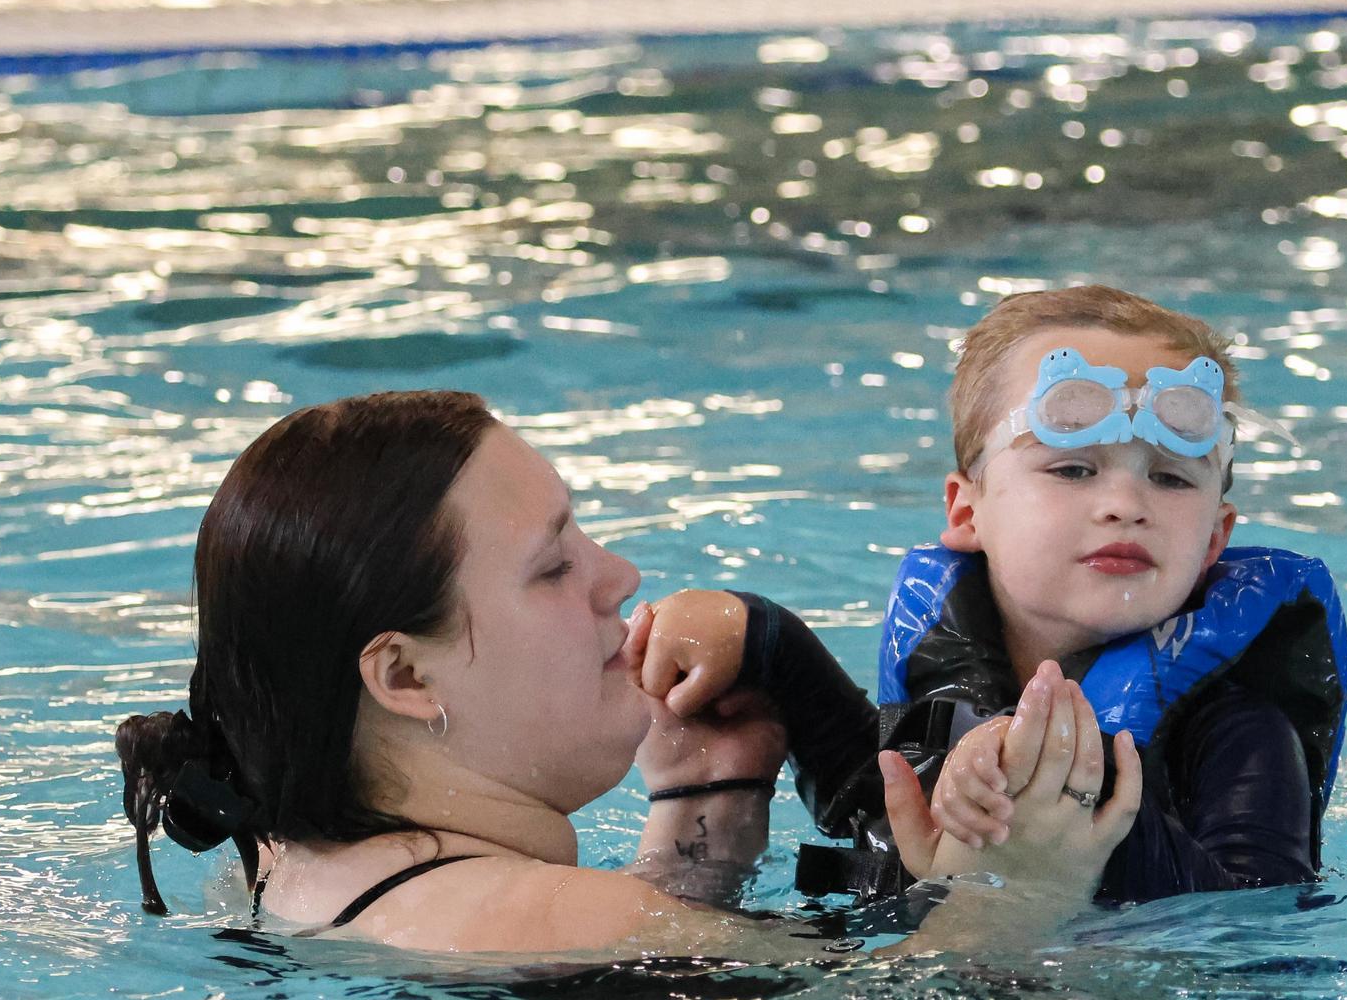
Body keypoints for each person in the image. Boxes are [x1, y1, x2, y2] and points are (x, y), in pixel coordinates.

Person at [114, 390, 1138, 957]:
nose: (619, 576)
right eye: (554, 565)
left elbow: (616, 976)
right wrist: (1019, 893)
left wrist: (702, 815)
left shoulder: (275, 866)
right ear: (405, 676)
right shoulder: (570, 923)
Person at [640, 285, 1347, 906]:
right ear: (967, 511)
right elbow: (876, 800)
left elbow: (1257, 930)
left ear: (1214, 540)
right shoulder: (945, 660)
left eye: (1170, 478)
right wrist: (761, 639)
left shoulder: (1244, 736)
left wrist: (1070, 797)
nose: (1127, 504)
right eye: (1073, 470)